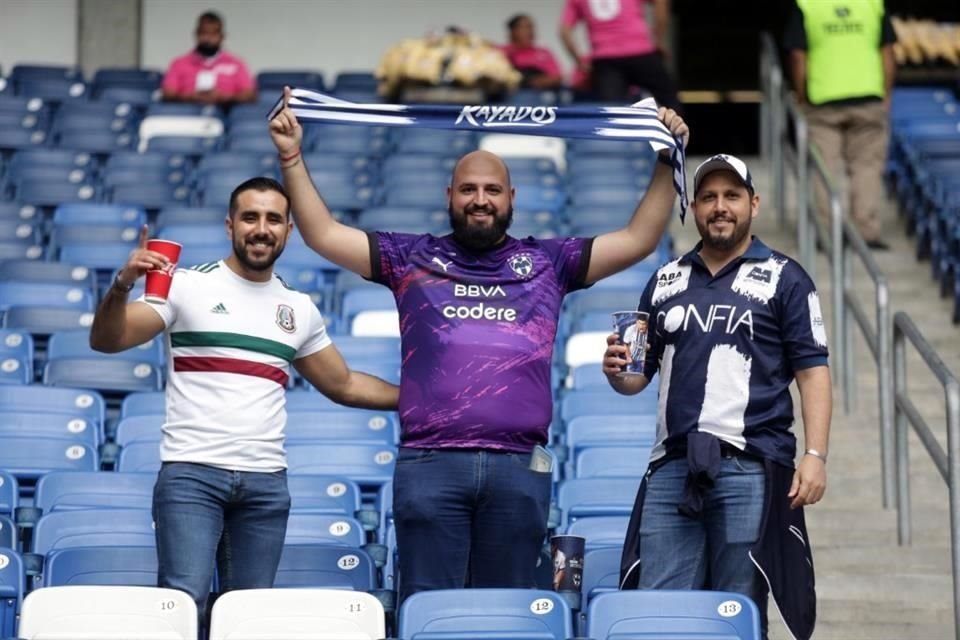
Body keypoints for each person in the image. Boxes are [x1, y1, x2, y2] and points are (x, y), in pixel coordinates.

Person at [268, 87, 688, 603]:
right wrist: (291, 155)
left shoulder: (547, 263)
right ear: (449, 196)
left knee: (509, 613)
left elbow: (639, 238)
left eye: (492, 189)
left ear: (512, 199)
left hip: (518, 468)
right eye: (468, 189)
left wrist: (668, 159)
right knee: (429, 611)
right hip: (429, 465)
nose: (480, 199)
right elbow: (323, 233)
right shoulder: (410, 258)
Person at [88, 177, 399, 628]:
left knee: (249, 620)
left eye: (273, 219)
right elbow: (107, 339)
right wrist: (121, 286)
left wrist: (424, 400)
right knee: (182, 608)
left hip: (265, 487)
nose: (261, 228)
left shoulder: (298, 309)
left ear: (289, 231)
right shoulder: (184, 286)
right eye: (250, 217)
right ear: (230, 224)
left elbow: (345, 384)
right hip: (192, 477)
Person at [602, 154, 831, 640]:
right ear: (692, 205)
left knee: (738, 607)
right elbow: (636, 377)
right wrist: (617, 371)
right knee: (660, 613)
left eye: (731, 196)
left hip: (752, 465)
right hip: (672, 466)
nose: (720, 207)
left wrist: (814, 455)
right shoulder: (665, 280)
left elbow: (813, 372)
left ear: (754, 204)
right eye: (708, 197)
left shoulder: (786, 277)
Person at [785, 0, 897, 250]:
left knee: (824, 170)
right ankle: (866, 233)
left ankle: (826, 235)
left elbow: (797, 55)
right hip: (868, 97)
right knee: (866, 167)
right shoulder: (873, 4)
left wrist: (802, 96)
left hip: (822, 100)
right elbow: (888, 53)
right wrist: (886, 94)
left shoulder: (807, 6)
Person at [560, 0, 680, 110]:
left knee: (613, 113)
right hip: (641, 51)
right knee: (671, 104)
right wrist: (659, 39)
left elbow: (564, 31)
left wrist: (580, 62)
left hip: (606, 60)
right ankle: (678, 133)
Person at [162, 11, 256, 105]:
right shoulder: (179, 63)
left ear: (222, 37)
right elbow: (168, 93)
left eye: (213, 34)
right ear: (196, 34)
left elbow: (249, 94)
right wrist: (192, 96)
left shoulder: (237, 64)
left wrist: (224, 97)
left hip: (226, 113)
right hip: (186, 115)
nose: (208, 38)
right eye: (204, 33)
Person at [501, 14, 563, 90]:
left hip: (538, 94)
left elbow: (557, 77)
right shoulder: (501, 52)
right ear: (512, 32)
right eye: (525, 27)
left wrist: (530, 82)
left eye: (531, 27)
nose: (531, 31)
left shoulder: (544, 53)